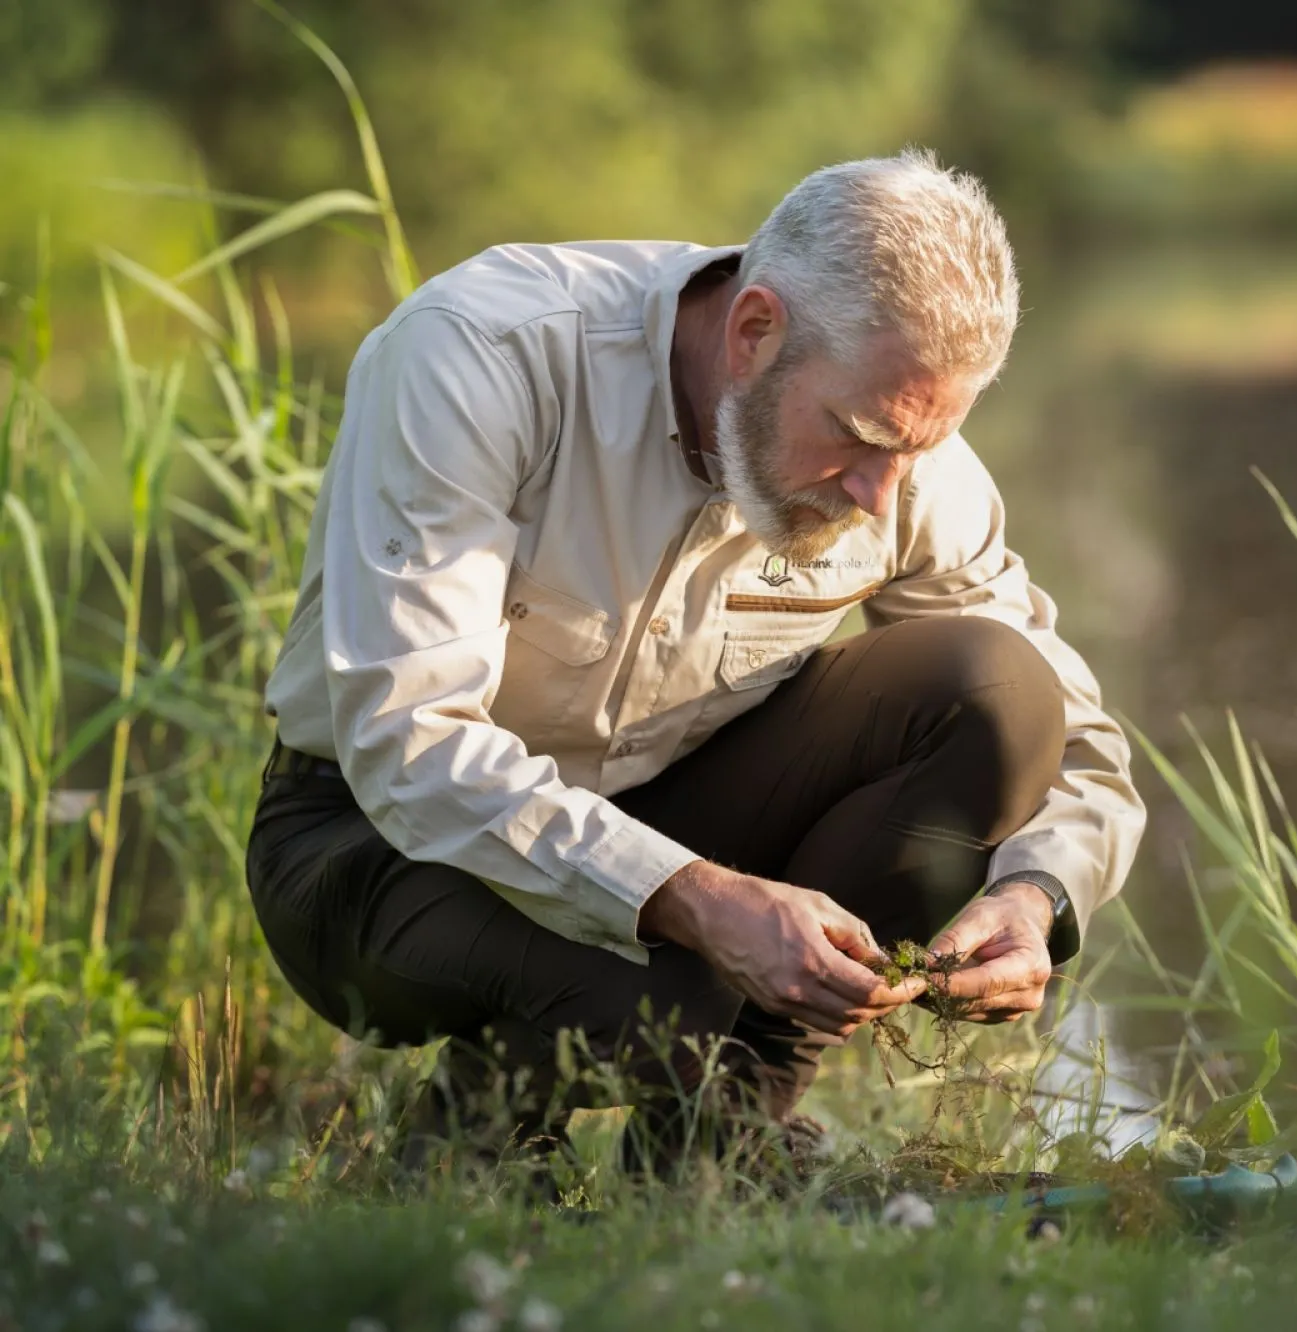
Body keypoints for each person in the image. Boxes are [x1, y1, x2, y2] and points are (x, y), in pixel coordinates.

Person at [245, 149, 1145, 1174]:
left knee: (997, 693)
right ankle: (466, 1157)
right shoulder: (481, 356)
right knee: (669, 991)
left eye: (917, 452)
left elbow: (1072, 740)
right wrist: (699, 899)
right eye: (856, 437)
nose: (880, 497)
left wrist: (1034, 899)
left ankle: (710, 1152)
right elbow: (408, 743)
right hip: (378, 849)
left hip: (662, 816)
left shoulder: (902, 455)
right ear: (754, 330)